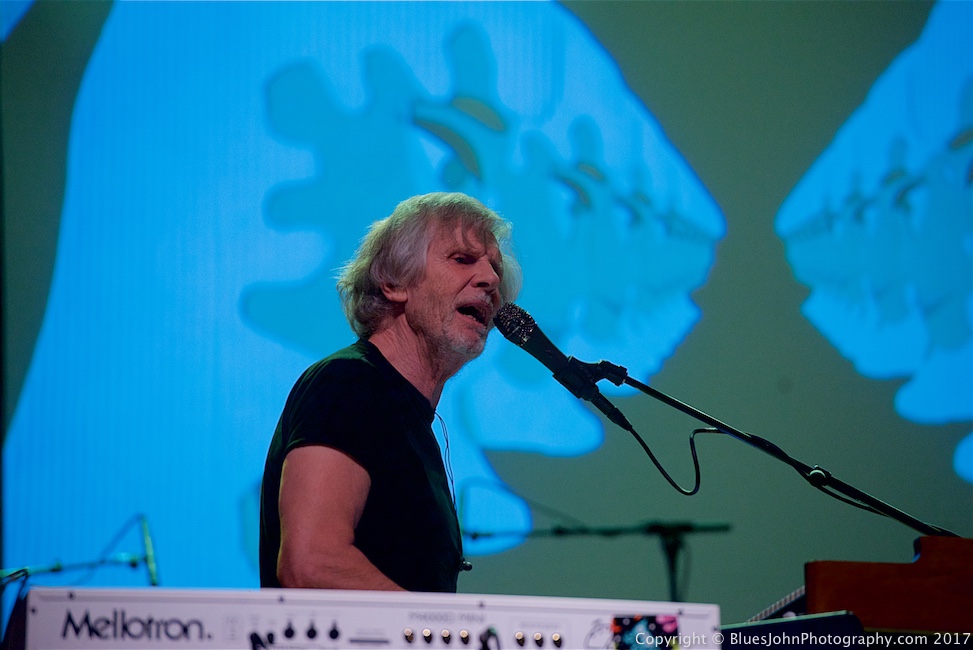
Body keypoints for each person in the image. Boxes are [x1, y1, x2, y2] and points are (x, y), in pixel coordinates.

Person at [259, 192, 521, 592]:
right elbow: (312, 563)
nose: (490, 280)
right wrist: (435, 626)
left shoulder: (408, 417)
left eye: (495, 268)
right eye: (462, 259)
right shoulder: (348, 384)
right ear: (393, 282)